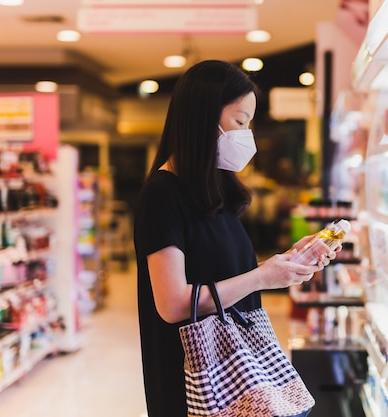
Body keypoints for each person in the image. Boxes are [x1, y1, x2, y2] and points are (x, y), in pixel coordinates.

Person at [133, 60, 339, 417]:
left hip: (232, 372)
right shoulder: (163, 195)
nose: (246, 135)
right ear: (202, 117)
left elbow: (219, 276)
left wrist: (283, 264)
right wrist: (261, 277)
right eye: (239, 122)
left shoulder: (214, 194)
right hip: (197, 381)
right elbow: (173, 304)